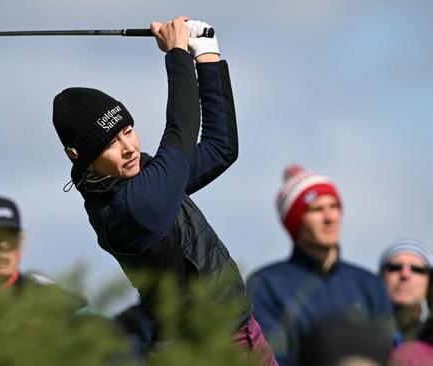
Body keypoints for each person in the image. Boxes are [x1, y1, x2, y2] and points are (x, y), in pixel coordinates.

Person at [52, 16, 277, 365]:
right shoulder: (128, 210)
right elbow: (180, 134)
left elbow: (219, 148)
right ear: (80, 157)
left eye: (128, 130)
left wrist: (205, 55)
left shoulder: (142, 176)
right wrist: (176, 55)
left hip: (243, 333)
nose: (128, 147)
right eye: (111, 143)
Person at [246, 164, 395, 366]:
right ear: (295, 221)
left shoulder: (369, 284)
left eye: (334, 206)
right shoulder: (266, 285)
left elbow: (389, 351)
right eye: (316, 209)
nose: (329, 217)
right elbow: (269, 356)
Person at [379, 238, 433, 342]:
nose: (405, 274)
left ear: (429, 280)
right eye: (395, 267)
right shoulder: (360, 329)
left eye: (417, 269)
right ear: (381, 276)